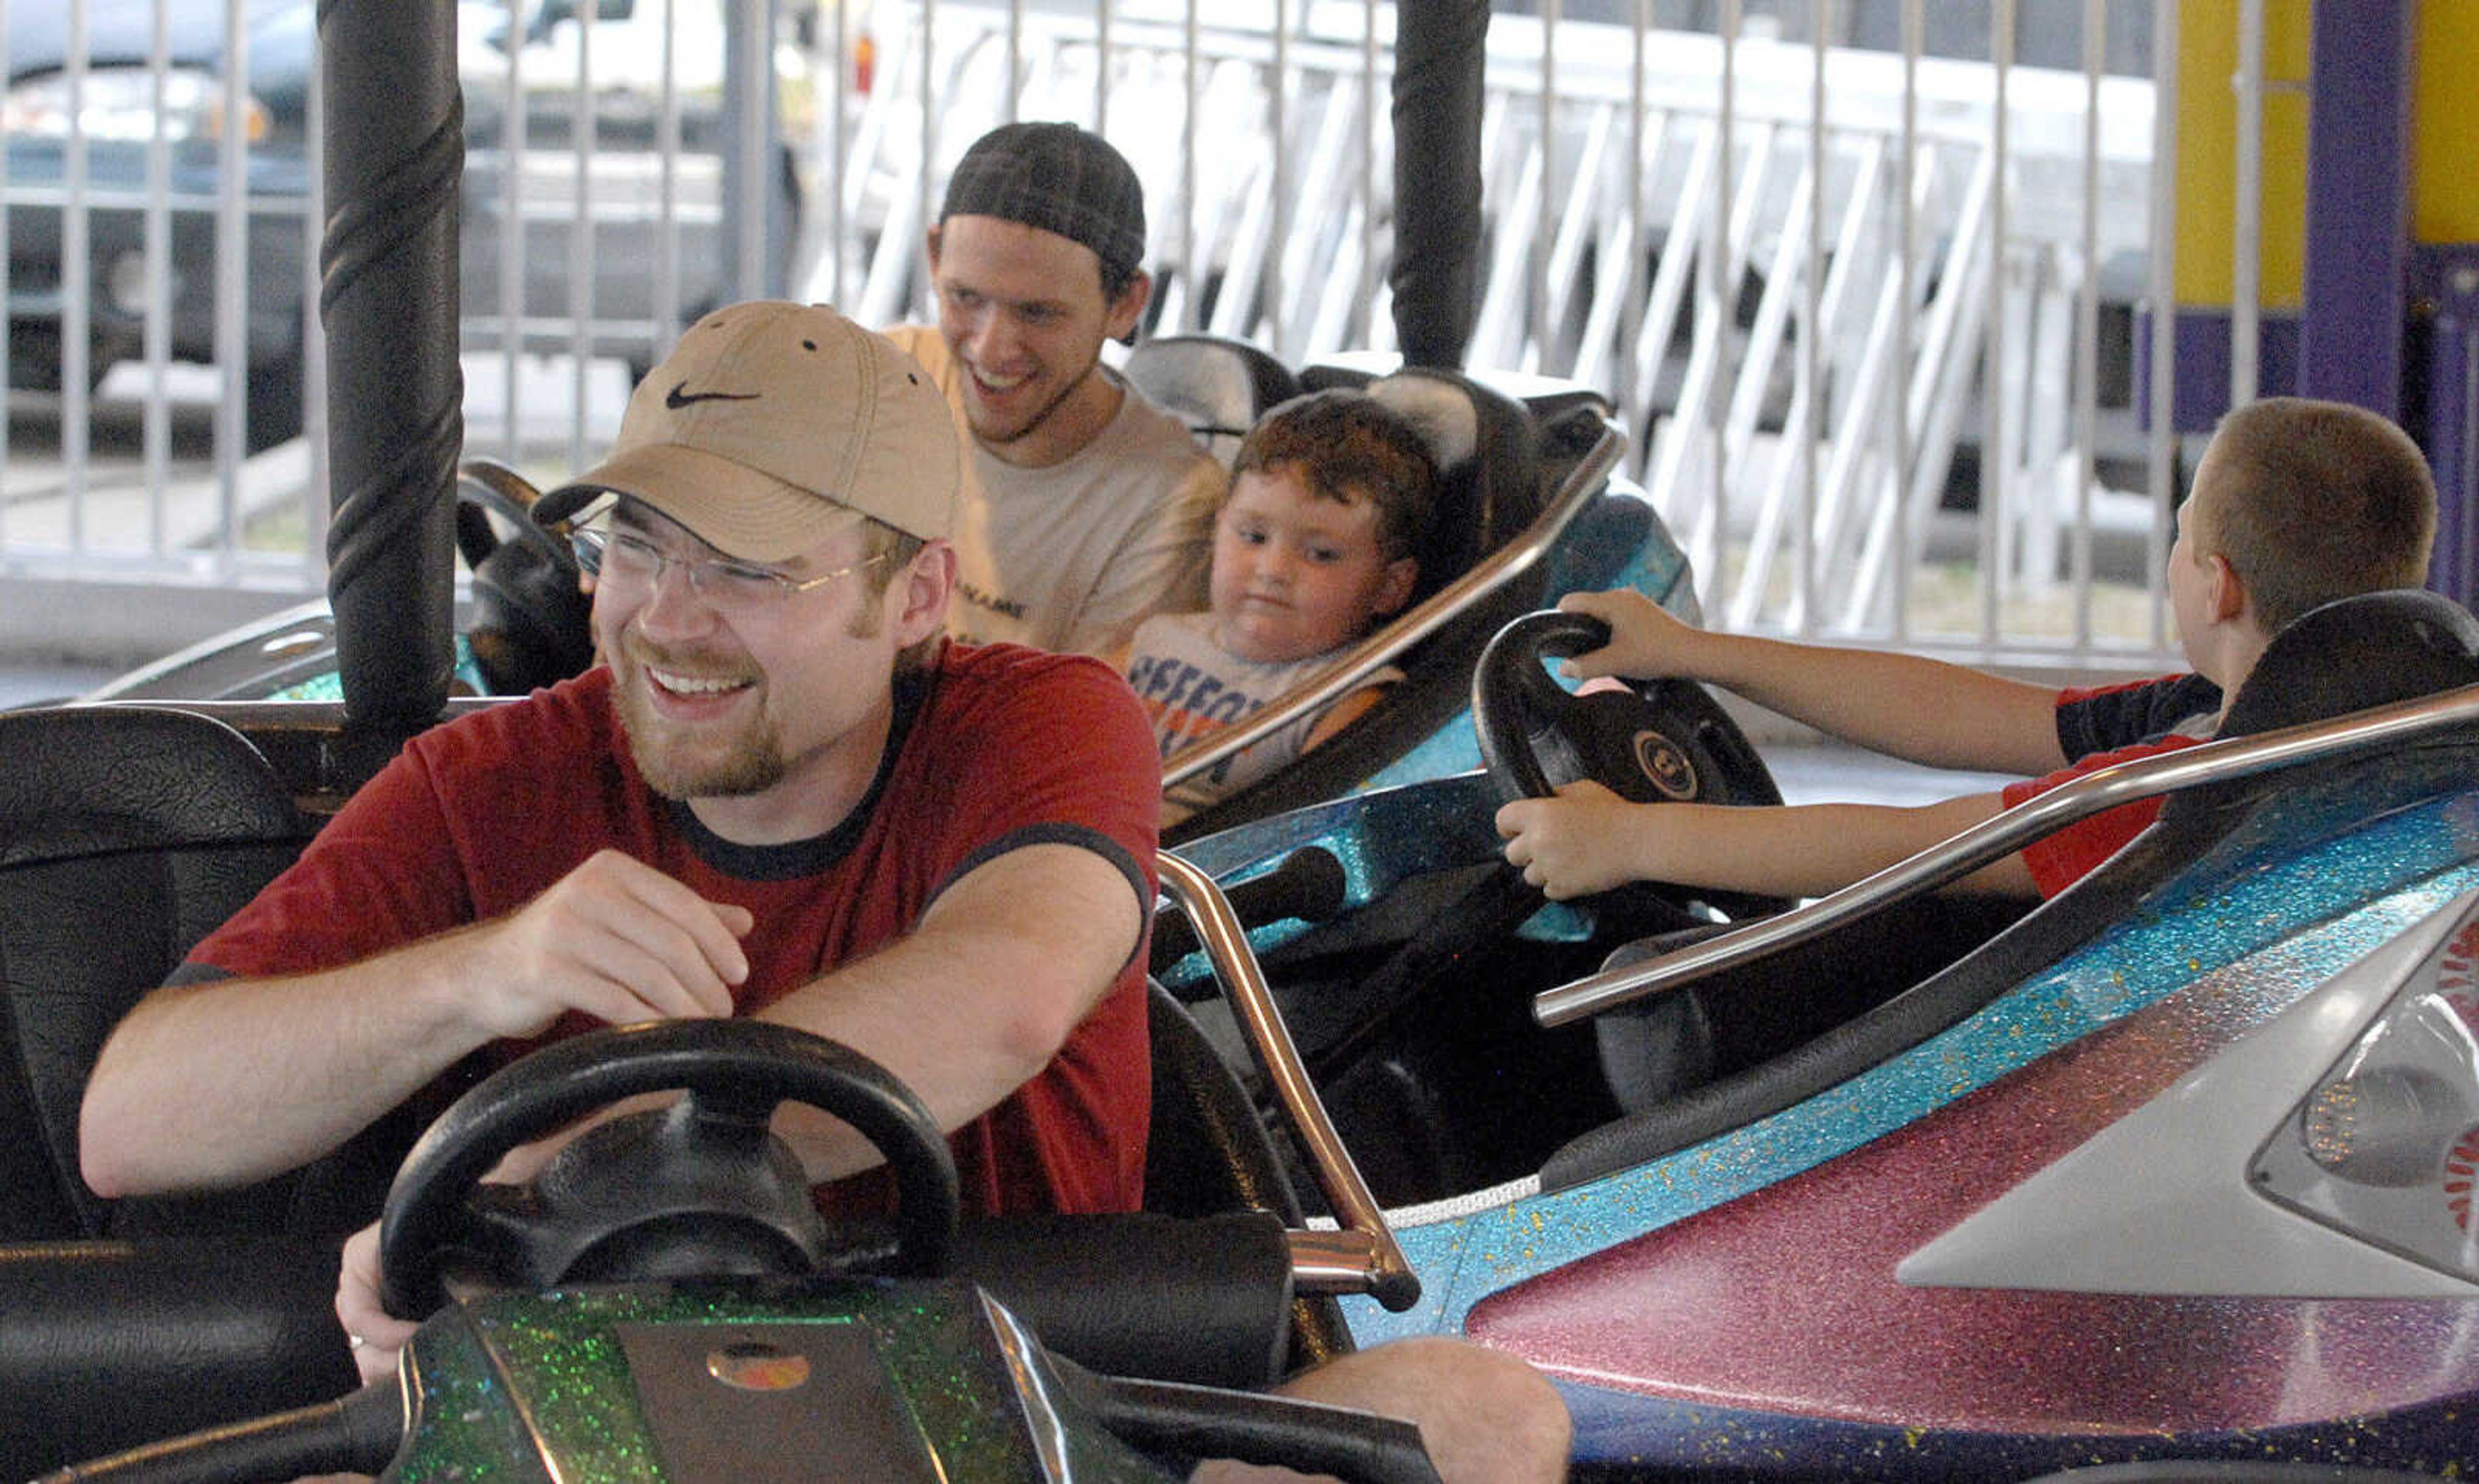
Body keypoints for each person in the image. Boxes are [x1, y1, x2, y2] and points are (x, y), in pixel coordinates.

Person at [76, 300, 1567, 1484]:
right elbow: (133, 1122)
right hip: (591, 1427)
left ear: (912, 596)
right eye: (637, 547)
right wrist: (481, 972)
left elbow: (1004, 991)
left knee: (1477, 1409)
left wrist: (531, 1185)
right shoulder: (495, 783)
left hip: (1015, 1407)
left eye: (742, 569)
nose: (665, 619)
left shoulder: (1034, 721)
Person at [1496, 395, 2439, 904]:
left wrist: (1631, 838)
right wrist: (1697, 651)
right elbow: (1967, 714)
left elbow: (1912, 846)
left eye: (2181, 536)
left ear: (2218, 584)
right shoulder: (2296, 718)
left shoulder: (2193, 787)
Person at [885, 120, 1226, 662]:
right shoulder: (883, 380)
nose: (991, 348)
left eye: (1039, 313)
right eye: (965, 297)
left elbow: (1077, 730)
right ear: (934, 257)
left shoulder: (1169, 498)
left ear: (1125, 305)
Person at [1128, 389, 1435, 824]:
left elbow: (1299, 834)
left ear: (1390, 586)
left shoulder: (1346, 697)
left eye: (1321, 554)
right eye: (1253, 537)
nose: (1273, 570)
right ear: (1219, 529)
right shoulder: (1156, 639)